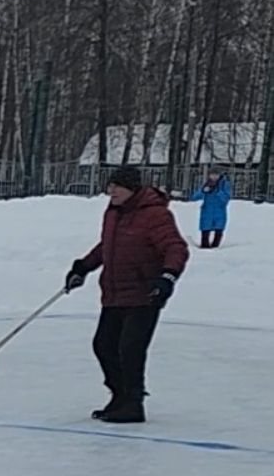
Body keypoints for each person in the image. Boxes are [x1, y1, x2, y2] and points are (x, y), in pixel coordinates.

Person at [65, 164, 188, 423]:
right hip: (114, 292)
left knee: (130, 348)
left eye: (117, 187)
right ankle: (119, 396)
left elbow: (175, 247)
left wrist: (167, 276)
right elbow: (107, 246)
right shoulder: (113, 212)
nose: (111, 191)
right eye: (110, 186)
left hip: (145, 294)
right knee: (104, 345)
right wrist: (84, 266)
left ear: (132, 189)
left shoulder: (155, 214)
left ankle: (133, 404)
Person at [192, 167, 231, 249]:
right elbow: (194, 197)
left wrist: (217, 191)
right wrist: (203, 191)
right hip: (207, 211)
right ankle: (204, 247)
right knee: (205, 230)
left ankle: (215, 248)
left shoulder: (224, 184)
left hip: (219, 212)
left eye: (216, 175)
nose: (214, 177)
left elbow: (226, 198)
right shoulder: (206, 184)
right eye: (212, 175)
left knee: (218, 230)